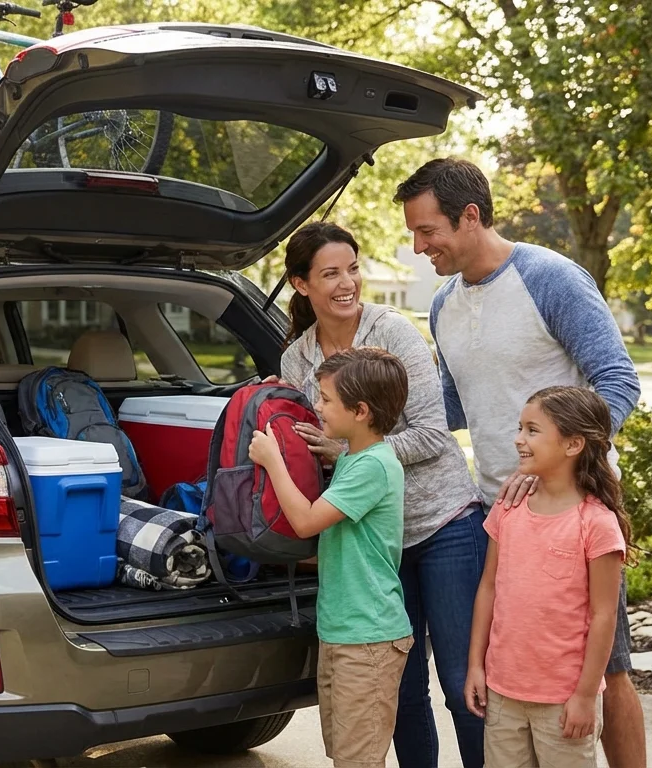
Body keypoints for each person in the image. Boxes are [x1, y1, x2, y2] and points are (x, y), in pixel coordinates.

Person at [396, 157, 646, 768]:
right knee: (522, 671)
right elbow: (452, 406)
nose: (419, 245)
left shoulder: (550, 278)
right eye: (414, 233)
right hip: (493, 513)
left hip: (573, 509)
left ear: (471, 216)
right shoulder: (442, 305)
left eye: (428, 231)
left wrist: (555, 469)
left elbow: (618, 381)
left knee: (605, 668)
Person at [278, 221, 488, 767]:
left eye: (353, 267)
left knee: (463, 683)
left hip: (443, 524)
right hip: (376, 544)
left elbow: (430, 434)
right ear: (302, 285)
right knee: (401, 692)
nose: (347, 282)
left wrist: (347, 454)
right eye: (330, 273)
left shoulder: (393, 332)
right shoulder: (296, 360)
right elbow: (312, 447)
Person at [249, 347, 414, 768]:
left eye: (324, 399)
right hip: (343, 631)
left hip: (368, 640)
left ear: (360, 411)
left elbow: (305, 522)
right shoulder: (354, 459)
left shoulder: (371, 467)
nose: (317, 406)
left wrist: (273, 461)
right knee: (345, 754)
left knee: (359, 759)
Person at [465, 386, 630, 767]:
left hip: (564, 700)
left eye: (532, 430)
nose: (518, 439)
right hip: (503, 694)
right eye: (520, 428)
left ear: (573, 445)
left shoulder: (597, 524)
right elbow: (488, 588)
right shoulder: (508, 509)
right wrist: (477, 665)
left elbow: (603, 616)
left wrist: (586, 696)